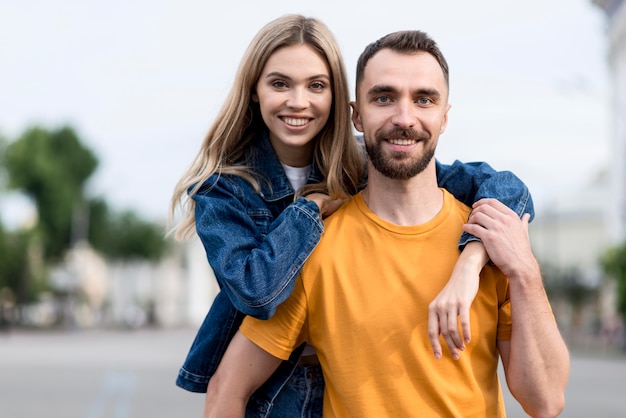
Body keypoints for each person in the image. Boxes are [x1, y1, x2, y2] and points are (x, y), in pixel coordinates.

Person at [169, 15, 535, 417]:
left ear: (341, 100)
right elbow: (256, 292)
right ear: (254, 91)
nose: (298, 101)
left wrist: (471, 261)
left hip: (346, 377)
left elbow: (507, 188)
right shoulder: (223, 190)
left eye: (316, 85)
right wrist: (310, 211)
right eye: (279, 83)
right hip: (275, 392)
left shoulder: (365, 161)